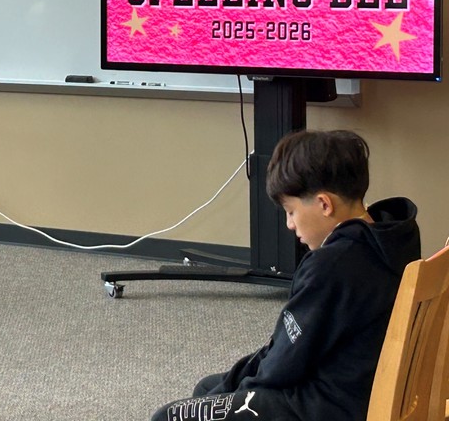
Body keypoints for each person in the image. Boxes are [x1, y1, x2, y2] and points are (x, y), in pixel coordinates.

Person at [150, 129, 420, 421]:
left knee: (168, 416)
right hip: (362, 388)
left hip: (327, 406)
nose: (290, 225)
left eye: (290, 211)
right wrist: (231, 386)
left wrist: (239, 394)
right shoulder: (394, 236)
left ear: (324, 204)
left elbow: (284, 364)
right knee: (209, 388)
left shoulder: (330, 266)